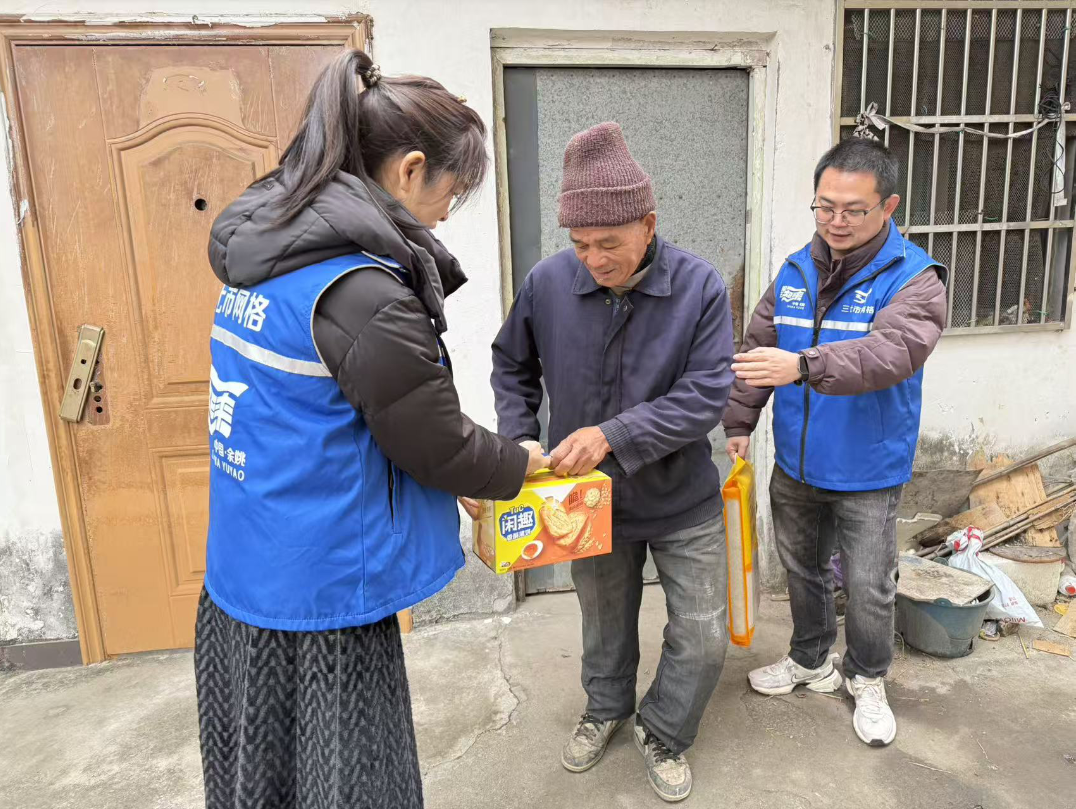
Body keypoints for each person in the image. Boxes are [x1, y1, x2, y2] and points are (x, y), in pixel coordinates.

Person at [197, 49, 547, 809]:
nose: (446, 214)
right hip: (321, 597)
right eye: (451, 193)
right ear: (410, 169)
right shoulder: (359, 289)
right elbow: (435, 440)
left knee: (263, 778)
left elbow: (335, 415)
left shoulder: (267, 259)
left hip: (245, 570)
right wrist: (518, 464)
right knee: (350, 784)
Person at [491, 122, 735, 803]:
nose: (593, 259)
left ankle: (664, 727)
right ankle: (605, 708)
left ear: (648, 223)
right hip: (585, 503)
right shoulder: (548, 284)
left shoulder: (699, 288)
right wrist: (519, 436)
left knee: (705, 632)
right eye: (579, 244)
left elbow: (707, 392)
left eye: (609, 243)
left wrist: (612, 434)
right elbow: (512, 364)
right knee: (603, 623)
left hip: (683, 497)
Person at [722, 137, 947, 747]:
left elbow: (890, 354)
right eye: (824, 207)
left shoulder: (915, 279)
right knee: (802, 571)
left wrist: (803, 366)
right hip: (795, 461)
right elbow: (755, 348)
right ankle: (810, 658)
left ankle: (867, 676)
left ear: (889, 207)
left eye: (852, 209)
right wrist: (740, 424)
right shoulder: (795, 269)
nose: (836, 221)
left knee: (870, 585)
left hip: (868, 468)